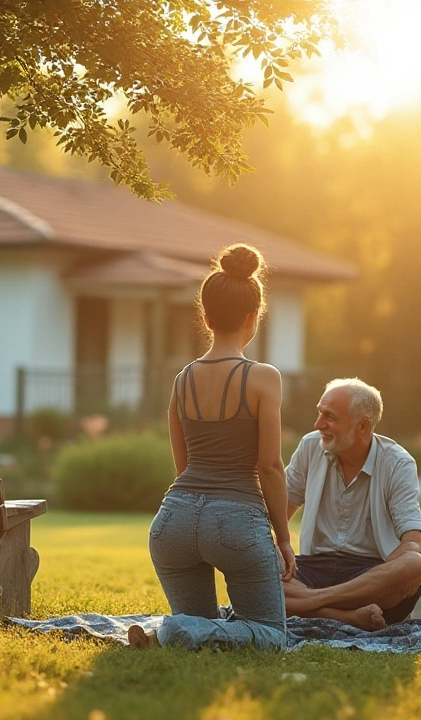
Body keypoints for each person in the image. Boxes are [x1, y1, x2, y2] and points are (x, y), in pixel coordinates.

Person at [130, 243, 297, 651]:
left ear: (204, 316)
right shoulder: (263, 378)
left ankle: (173, 631)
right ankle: (175, 631)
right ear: (251, 318)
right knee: (273, 635)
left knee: (199, 627)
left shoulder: (181, 380)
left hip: (173, 521)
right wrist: (284, 538)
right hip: (237, 519)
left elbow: (183, 464)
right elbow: (270, 466)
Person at [280, 379, 421, 630]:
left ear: (363, 427)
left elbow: (412, 541)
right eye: (320, 413)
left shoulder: (398, 462)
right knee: (253, 560)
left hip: (369, 572)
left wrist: (386, 572)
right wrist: (272, 546)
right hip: (313, 568)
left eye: (329, 417)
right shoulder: (310, 446)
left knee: (415, 564)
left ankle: (311, 604)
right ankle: (348, 617)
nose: (318, 424)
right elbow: (279, 510)